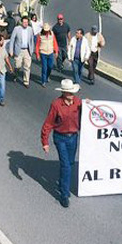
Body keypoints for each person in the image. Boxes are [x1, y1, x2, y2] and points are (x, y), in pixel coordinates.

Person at [41, 79, 82, 208]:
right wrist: (45, 141)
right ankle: (64, 194)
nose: (71, 95)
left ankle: (62, 182)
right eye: (68, 92)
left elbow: (88, 112)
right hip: (60, 138)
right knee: (66, 166)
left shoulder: (78, 102)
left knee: (69, 163)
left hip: (73, 137)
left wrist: (90, 104)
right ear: (63, 92)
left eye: (72, 92)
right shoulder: (56, 105)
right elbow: (48, 123)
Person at [8, 16, 35, 88]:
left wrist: (32, 50)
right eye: (24, 22)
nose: (25, 24)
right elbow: (12, 40)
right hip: (18, 50)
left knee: (27, 66)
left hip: (27, 50)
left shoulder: (30, 29)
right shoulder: (17, 29)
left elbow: (32, 40)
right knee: (18, 65)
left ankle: (26, 81)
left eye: (27, 22)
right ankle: (15, 74)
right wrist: (11, 50)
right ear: (21, 22)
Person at [35, 23, 59, 87]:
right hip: (43, 53)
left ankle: (47, 76)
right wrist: (37, 54)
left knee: (50, 66)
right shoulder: (40, 35)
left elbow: (55, 43)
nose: (46, 31)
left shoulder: (52, 34)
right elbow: (37, 45)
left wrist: (56, 51)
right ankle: (43, 81)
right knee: (44, 68)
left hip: (50, 53)